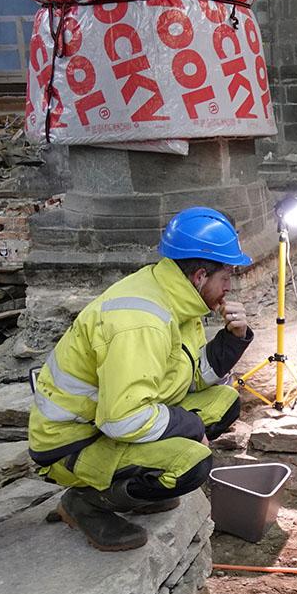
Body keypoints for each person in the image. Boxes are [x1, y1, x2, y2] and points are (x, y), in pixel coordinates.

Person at [28, 207, 254, 551]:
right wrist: (191, 427)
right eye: (227, 276)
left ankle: (134, 485)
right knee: (192, 465)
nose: (229, 287)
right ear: (200, 275)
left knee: (225, 403)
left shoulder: (179, 300)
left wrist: (232, 339)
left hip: (109, 422)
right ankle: (88, 501)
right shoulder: (140, 321)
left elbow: (190, 378)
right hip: (72, 442)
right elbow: (123, 418)